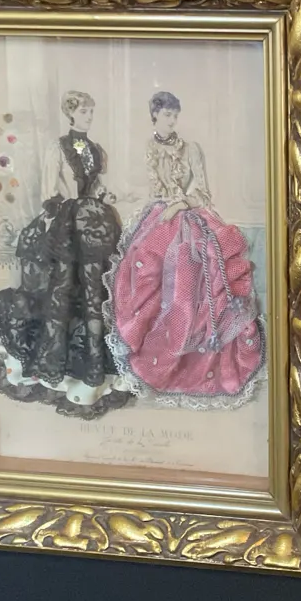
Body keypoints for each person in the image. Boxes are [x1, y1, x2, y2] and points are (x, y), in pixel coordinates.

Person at [103, 91, 264, 408]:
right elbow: (149, 190)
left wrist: (179, 205)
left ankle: (192, 360)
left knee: (187, 277)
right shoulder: (149, 148)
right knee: (142, 271)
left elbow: (202, 192)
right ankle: (149, 358)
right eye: (166, 115)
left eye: (175, 115)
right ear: (154, 116)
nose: (172, 120)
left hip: (188, 220)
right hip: (156, 219)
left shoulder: (191, 149)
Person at [0, 90, 131, 418]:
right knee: (64, 291)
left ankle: (98, 366)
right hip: (68, 223)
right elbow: (50, 190)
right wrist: (57, 219)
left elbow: (94, 184)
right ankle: (59, 367)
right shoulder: (58, 148)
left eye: (91, 111)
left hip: (96, 223)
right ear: (71, 114)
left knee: (98, 291)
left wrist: (105, 195)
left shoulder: (94, 148)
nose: (89, 117)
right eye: (84, 112)